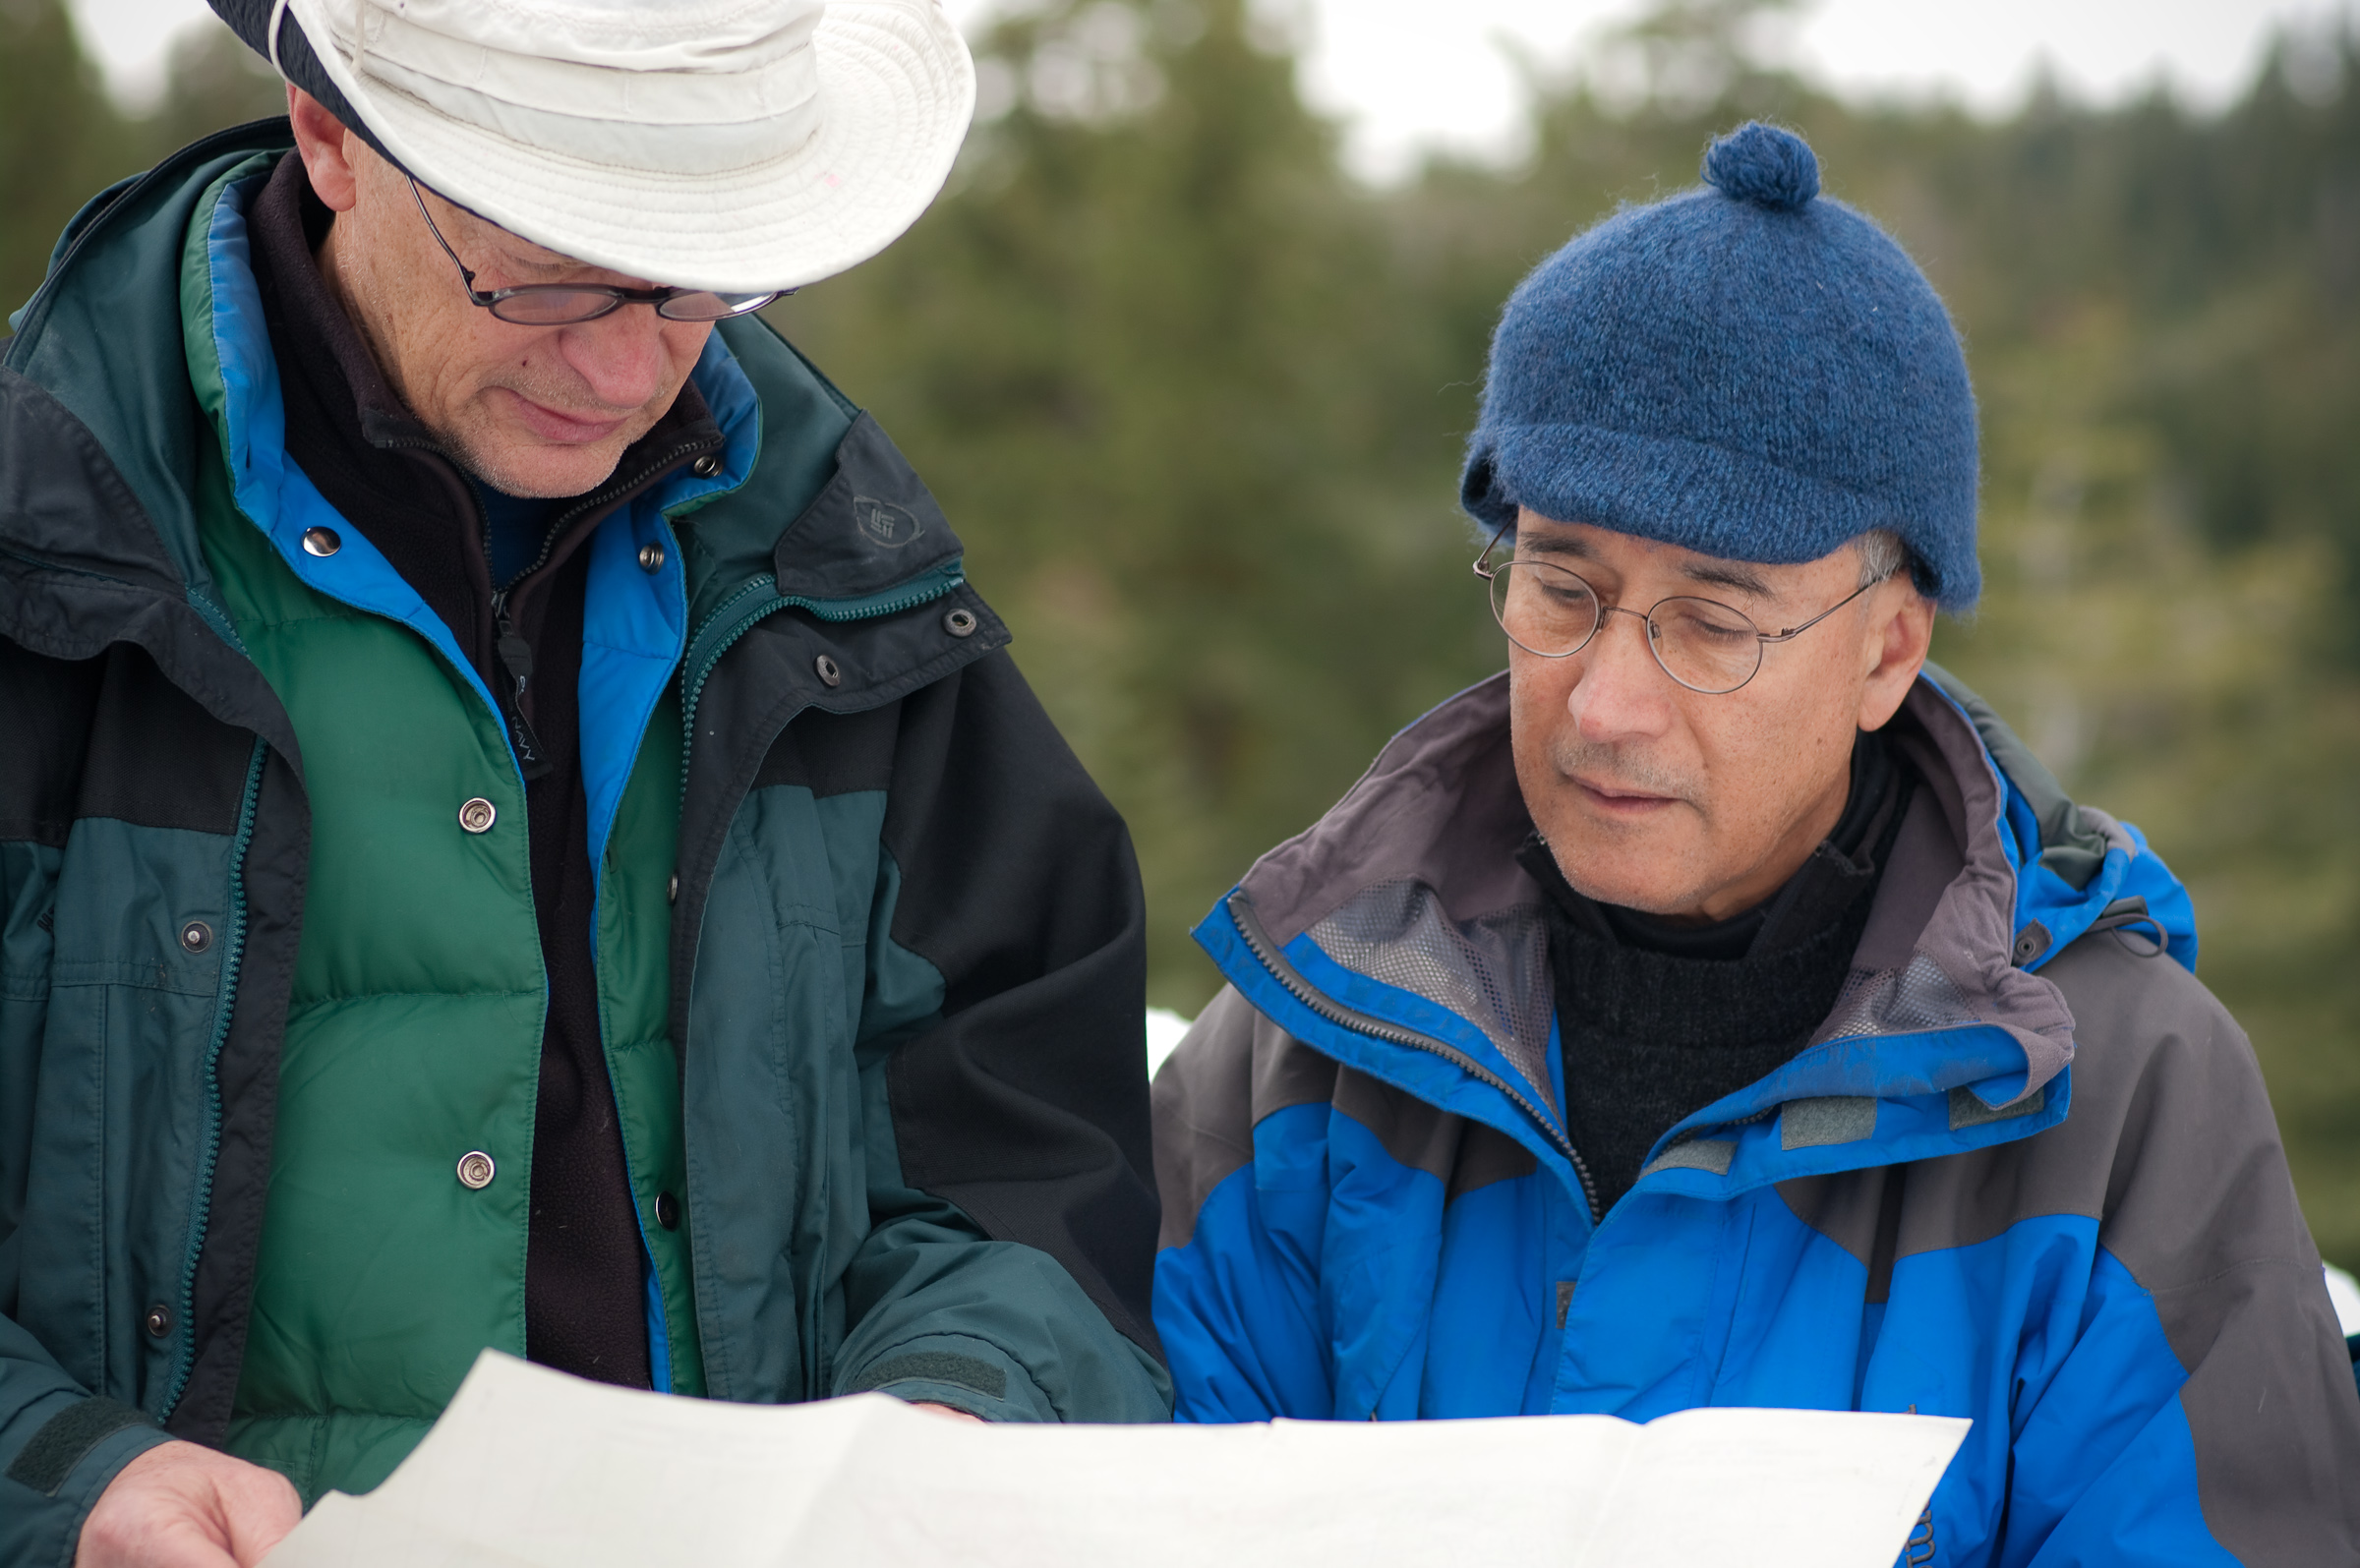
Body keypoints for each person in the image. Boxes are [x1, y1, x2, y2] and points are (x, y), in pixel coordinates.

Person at [0, 1, 1171, 1563]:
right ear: (332, 133)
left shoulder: (849, 581)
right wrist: (58, 1475)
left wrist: (961, 1415)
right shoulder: (46, 558)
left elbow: (1026, 1158)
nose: (628, 368)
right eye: (549, 272)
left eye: (697, 282)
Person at [1150, 122, 2360, 1561]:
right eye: (1561, 589)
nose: (1605, 704)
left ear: (1888, 652)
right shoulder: (1311, 1036)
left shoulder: (2121, 1103)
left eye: (1714, 623)